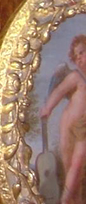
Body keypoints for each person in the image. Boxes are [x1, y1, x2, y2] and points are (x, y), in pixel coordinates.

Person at [40, 34, 86, 204]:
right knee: (69, 167)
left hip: (84, 127)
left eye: (82, 52)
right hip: (67, 125)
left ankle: (65, 200)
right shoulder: (76, 77)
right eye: (76, 55)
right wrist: (48, 108)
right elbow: (59, 91)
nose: (79, 57)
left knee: (78, 165)